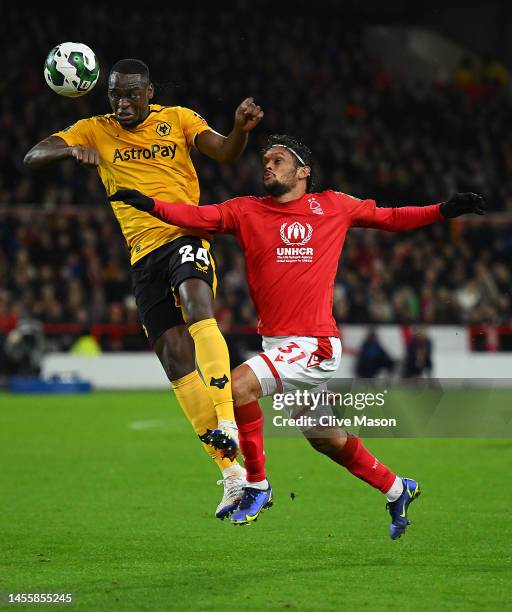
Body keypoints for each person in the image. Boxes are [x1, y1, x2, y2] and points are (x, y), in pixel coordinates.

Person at [110, 133, 485, 538]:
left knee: (237, 387)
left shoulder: (333, 206)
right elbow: (196, 218)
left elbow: (392, 218)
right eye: (265, 160)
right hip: (278, 345)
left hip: (314, 343)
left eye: (278, 159)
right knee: (324, 438)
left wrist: (444, 210)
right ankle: (397, 488)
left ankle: (256, 485)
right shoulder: (246, 211)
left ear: (303, 171)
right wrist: (150, 206)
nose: (267, 165)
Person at [24, 58, 264, 518]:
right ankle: (232, 475)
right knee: (175, 360)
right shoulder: (94, 129)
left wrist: (239, 129)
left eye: (132, 93)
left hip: (183, 235)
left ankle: (228, 419)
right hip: (141, 257)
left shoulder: (178, 119)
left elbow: (226, 152)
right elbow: (32, 157)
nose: (123, 102)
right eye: (116, 94)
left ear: (150, 92)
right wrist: (69, 150)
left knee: (199, 309)